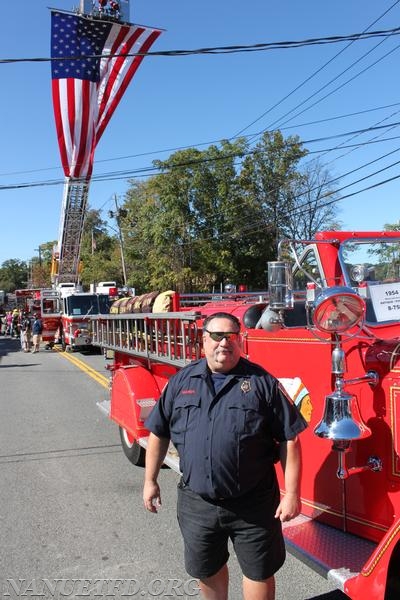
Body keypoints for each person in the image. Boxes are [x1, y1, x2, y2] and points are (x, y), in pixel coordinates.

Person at [143, 312, 307, 600]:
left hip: (253, 504)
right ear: (203, 340)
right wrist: (150, 480)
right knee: (207, 568)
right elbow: (158, 432)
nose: (223, 343)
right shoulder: (181, 382)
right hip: (198, 502)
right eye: (216, 336)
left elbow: (289, 439)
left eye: (231, 336)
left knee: (258, 571)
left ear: (240, 340)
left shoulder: (262, 383)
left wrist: (292, 493)